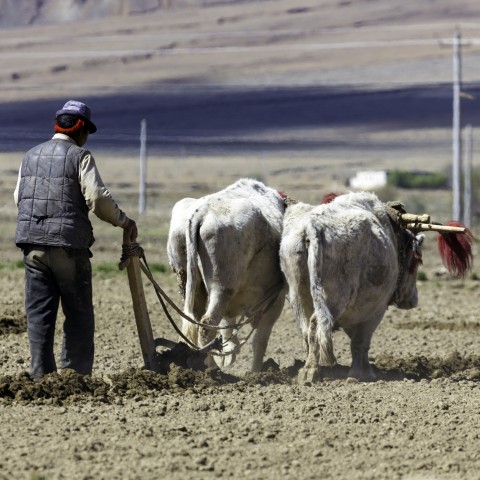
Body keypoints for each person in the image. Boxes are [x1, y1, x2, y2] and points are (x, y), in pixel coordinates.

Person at [14, 100, 137, 380]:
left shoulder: (30, 156)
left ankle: (41, 378)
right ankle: (74, 377)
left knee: (39, 317)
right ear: (80, 131)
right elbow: (96, 199)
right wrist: (124, 222)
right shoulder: (80, 156)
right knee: (79, 316)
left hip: (32, 246)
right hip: (68, 247)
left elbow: (19, 197)